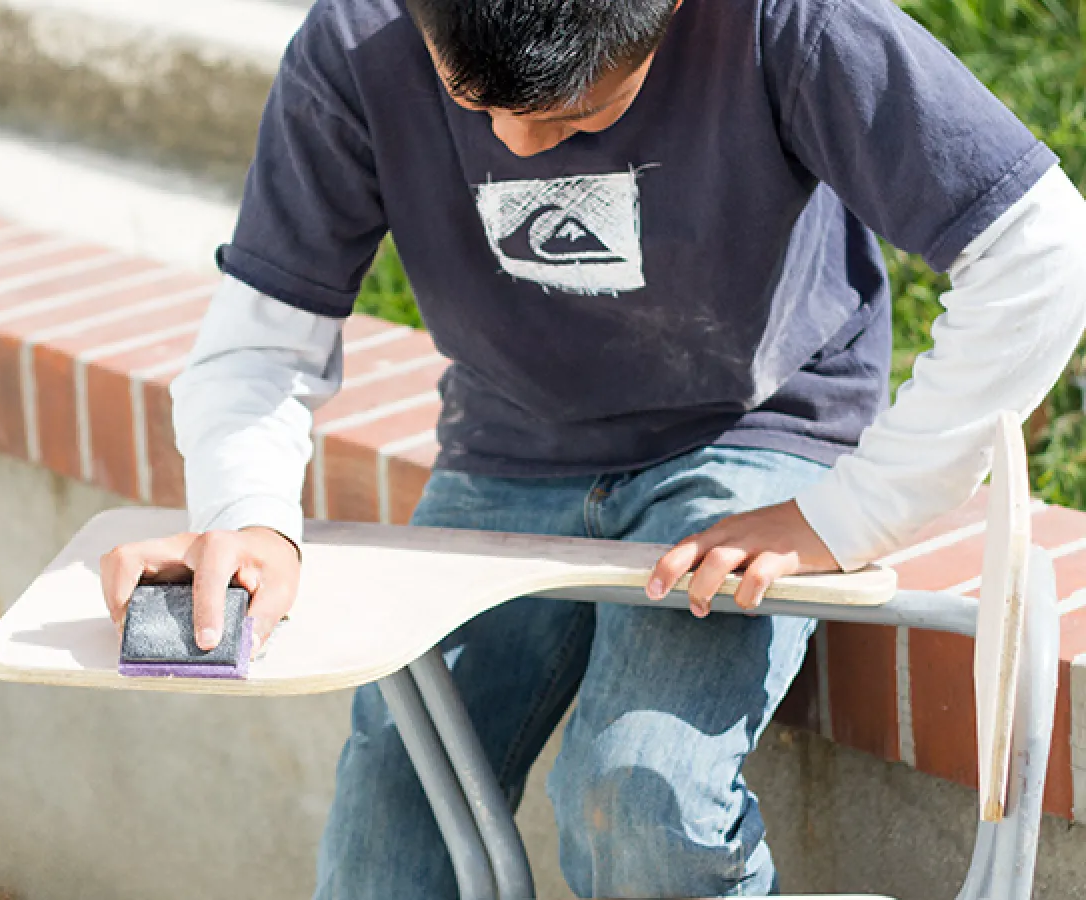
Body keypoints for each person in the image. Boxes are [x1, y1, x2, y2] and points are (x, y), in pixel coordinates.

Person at [99, 0, 1086, 894]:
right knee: (398, 797)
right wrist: (249, 518)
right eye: (471, 102)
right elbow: (261, 338)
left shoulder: (792, 25)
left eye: (574, 116)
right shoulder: (356, 42)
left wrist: (855, 512)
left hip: (754, 435)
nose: (520, 146)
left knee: (638, 797)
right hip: (509, 449)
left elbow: (1040, 249)